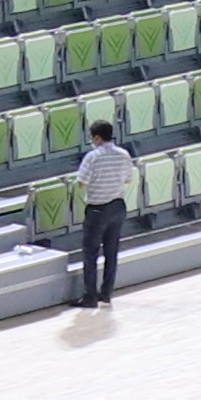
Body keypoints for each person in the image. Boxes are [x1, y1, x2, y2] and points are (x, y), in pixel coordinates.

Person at [69, 128, 136, 308]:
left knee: (90, 253)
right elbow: (128, 179)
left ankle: (90, 296)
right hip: (118, 206)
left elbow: (82, 183)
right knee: (111, 252)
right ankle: (106, 293)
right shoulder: (123, 154)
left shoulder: (92, 157)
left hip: (98, 208)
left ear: (97, 137)